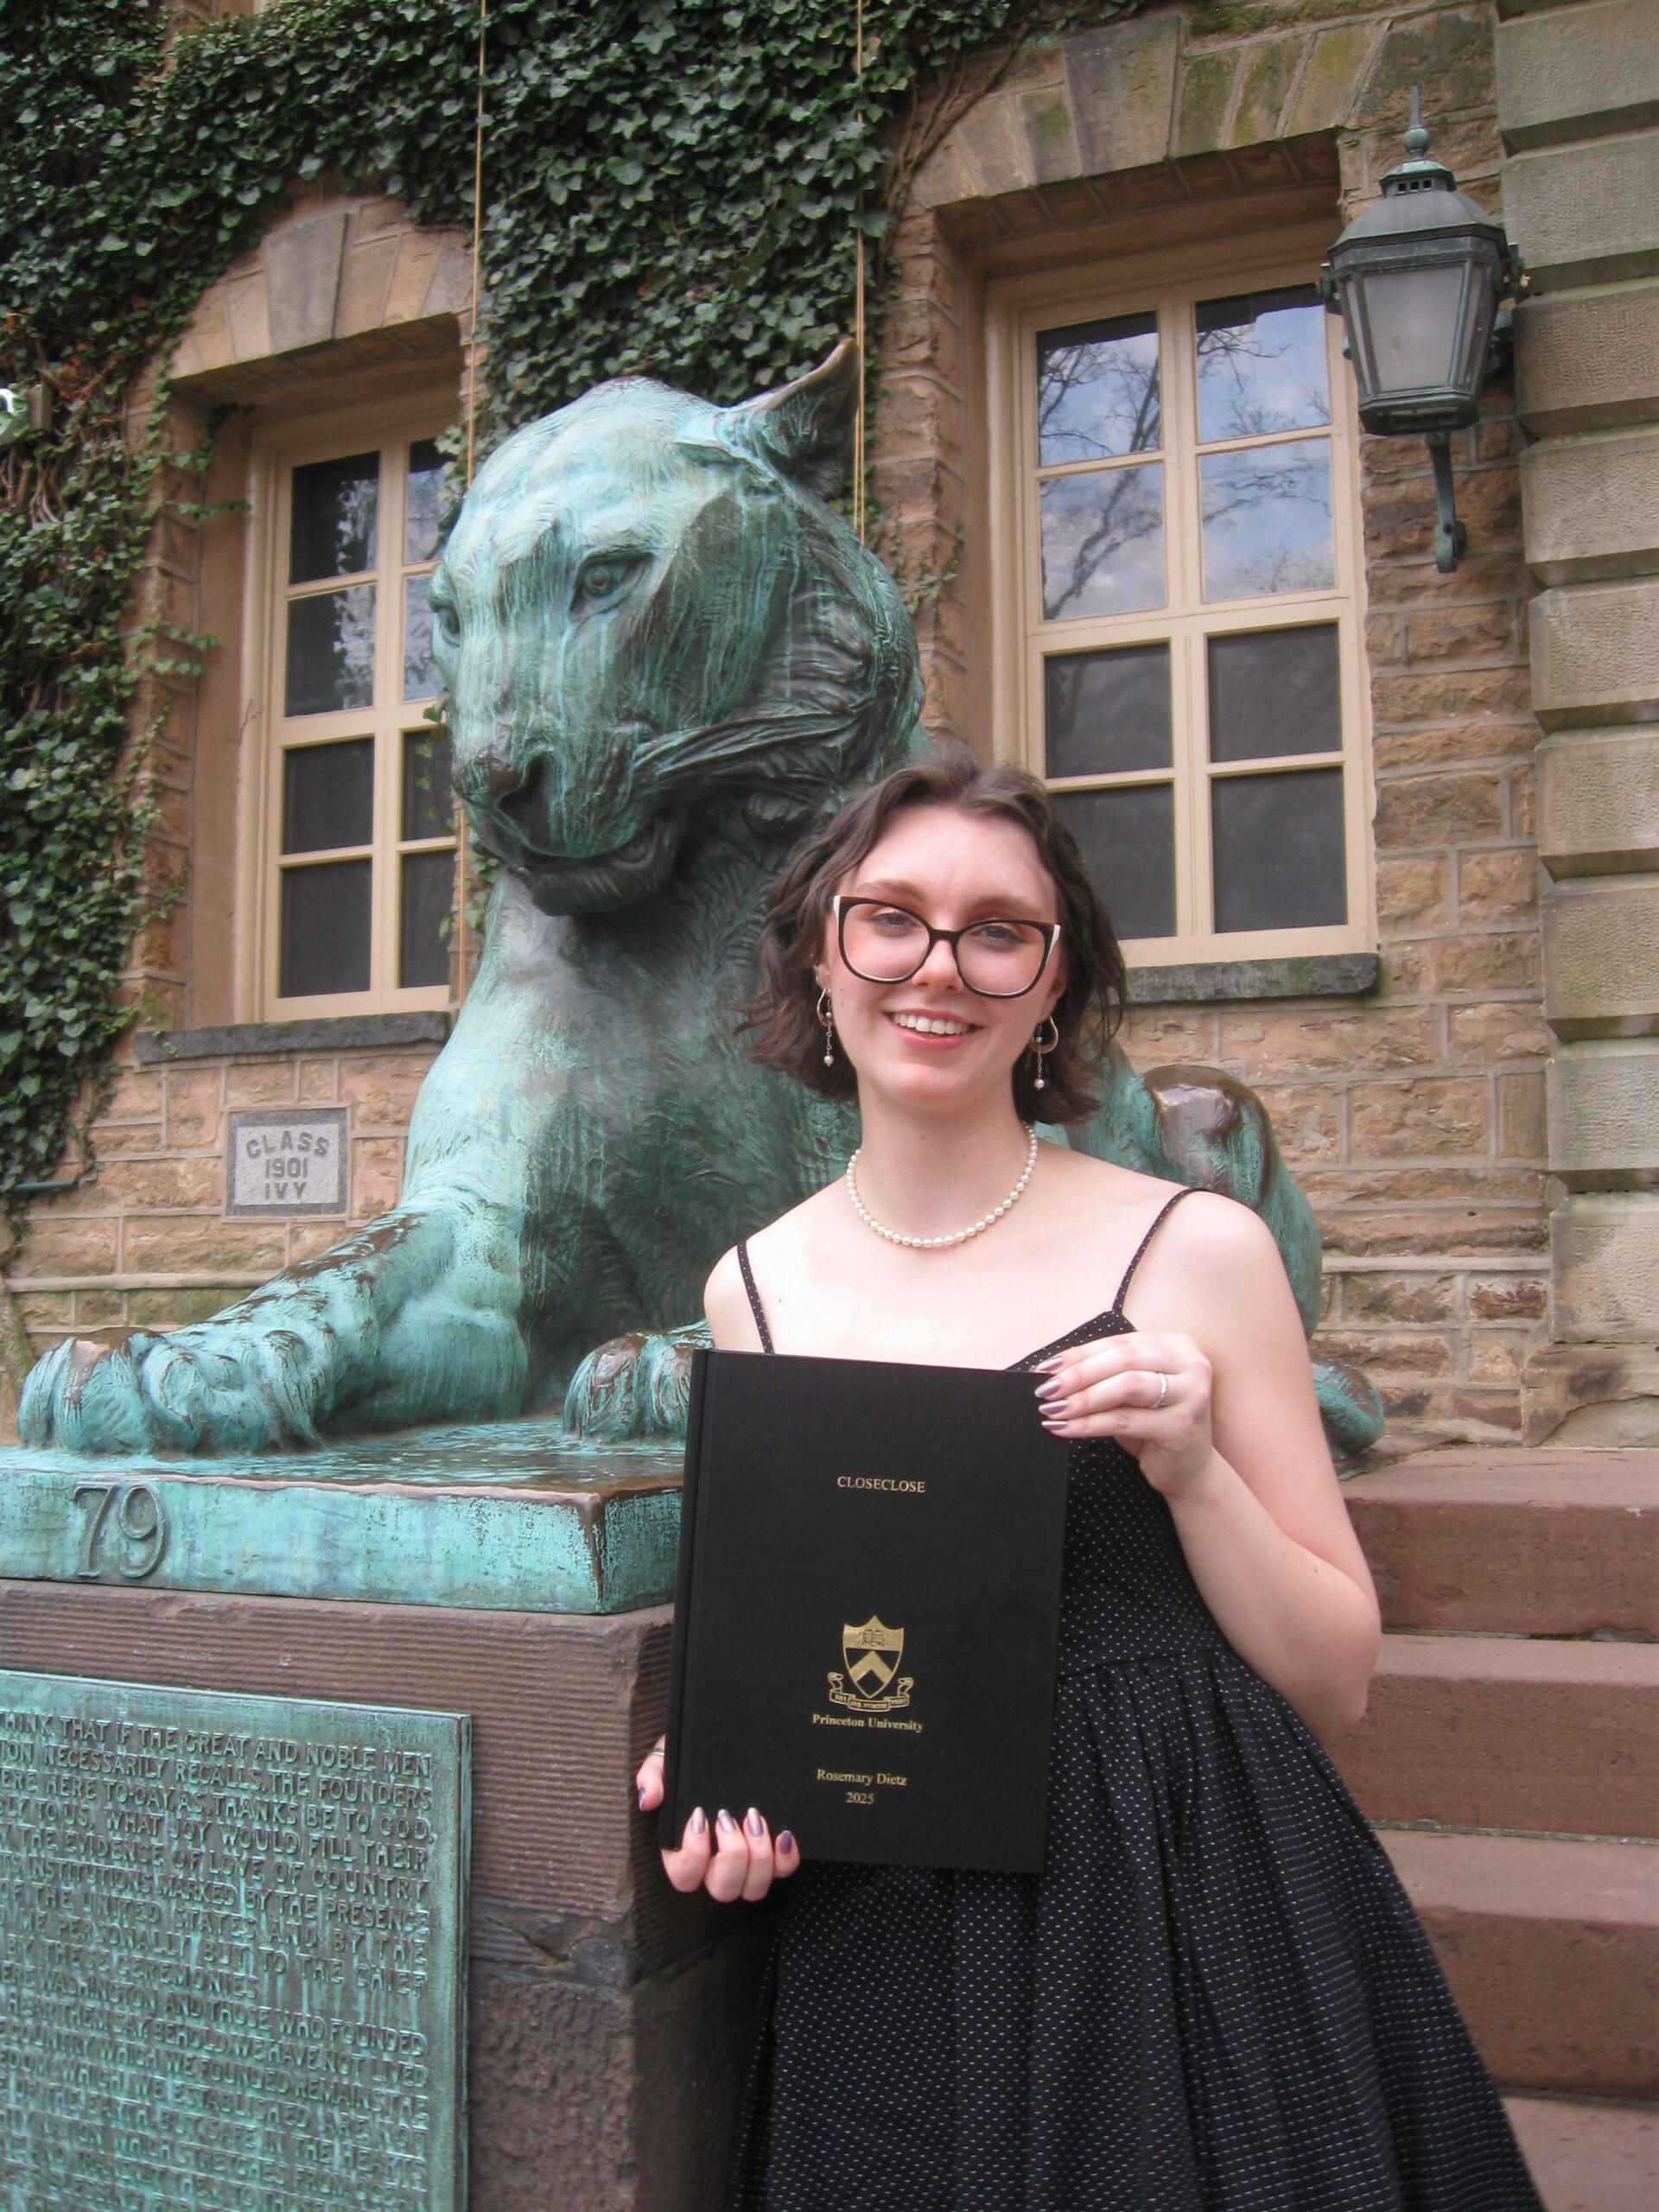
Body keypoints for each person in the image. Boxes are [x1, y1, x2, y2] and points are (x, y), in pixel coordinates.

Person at [634, 745, 1542, 2211]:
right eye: (893, 917)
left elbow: (1338, 1677)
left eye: (1000, 931)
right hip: (891, 1936)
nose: (941, 967)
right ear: (823, 948)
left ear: (1053, 986)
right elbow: (807, 1640)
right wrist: (732, 1775)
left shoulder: (1192, 1250)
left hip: (1176, 1895)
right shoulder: (750, 1289)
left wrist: (1190, 1471)